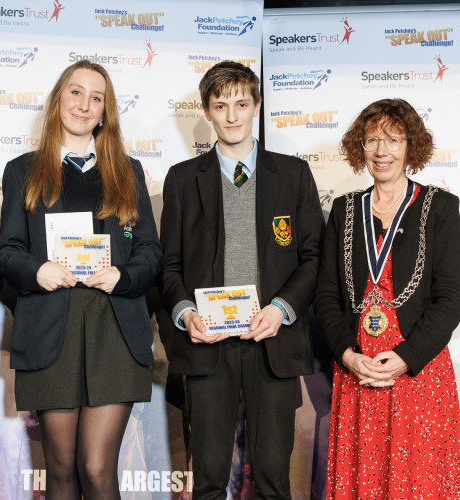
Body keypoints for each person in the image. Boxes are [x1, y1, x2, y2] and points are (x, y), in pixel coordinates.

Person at [0, 60, 162, 499]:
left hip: (115, 330)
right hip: (51, 327)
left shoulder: (128, 170)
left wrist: (123, 276)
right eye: (76, 92)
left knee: (96, 466)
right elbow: (7, 252)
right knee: (63, 468)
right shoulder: (22, 170)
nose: (84, 104)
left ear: (105, 111)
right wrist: (38, 270)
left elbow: (150, 253)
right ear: (58, 100)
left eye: (96, 97)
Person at [158, 61, 324, 499]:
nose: (232, 115)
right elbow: (168, 267)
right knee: (209, 477)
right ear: (207, 111)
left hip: (273, 341)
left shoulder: (293, 175)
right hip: (206, 344)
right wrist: (185, 313)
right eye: (220, 105)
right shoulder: (180, 180)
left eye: (241, 104)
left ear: (257, 106)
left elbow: (313, 259)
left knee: (272, 477)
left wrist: (282, 309)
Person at [314, 98, 460, 498]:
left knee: (419, 484)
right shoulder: (345, 210)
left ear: (410, 146)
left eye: (394, 140)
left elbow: (449, 300)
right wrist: (347, 355)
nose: (381, 151)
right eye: (371, 140)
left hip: (418, 372)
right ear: (358, 147)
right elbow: (327, 295)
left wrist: (405, 358)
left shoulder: (441, 209)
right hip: (359, 372)